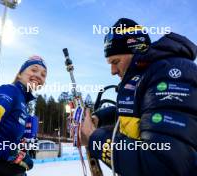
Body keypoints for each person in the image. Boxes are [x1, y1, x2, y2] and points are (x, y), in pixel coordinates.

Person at [81, 18, 197, 176]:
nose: (112, 71)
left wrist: (95, 138)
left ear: (136, 50)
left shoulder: (169, 73)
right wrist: (100, 118)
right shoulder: (151, 72)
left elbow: (162, 165)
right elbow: (144, 112)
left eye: (115, 61)